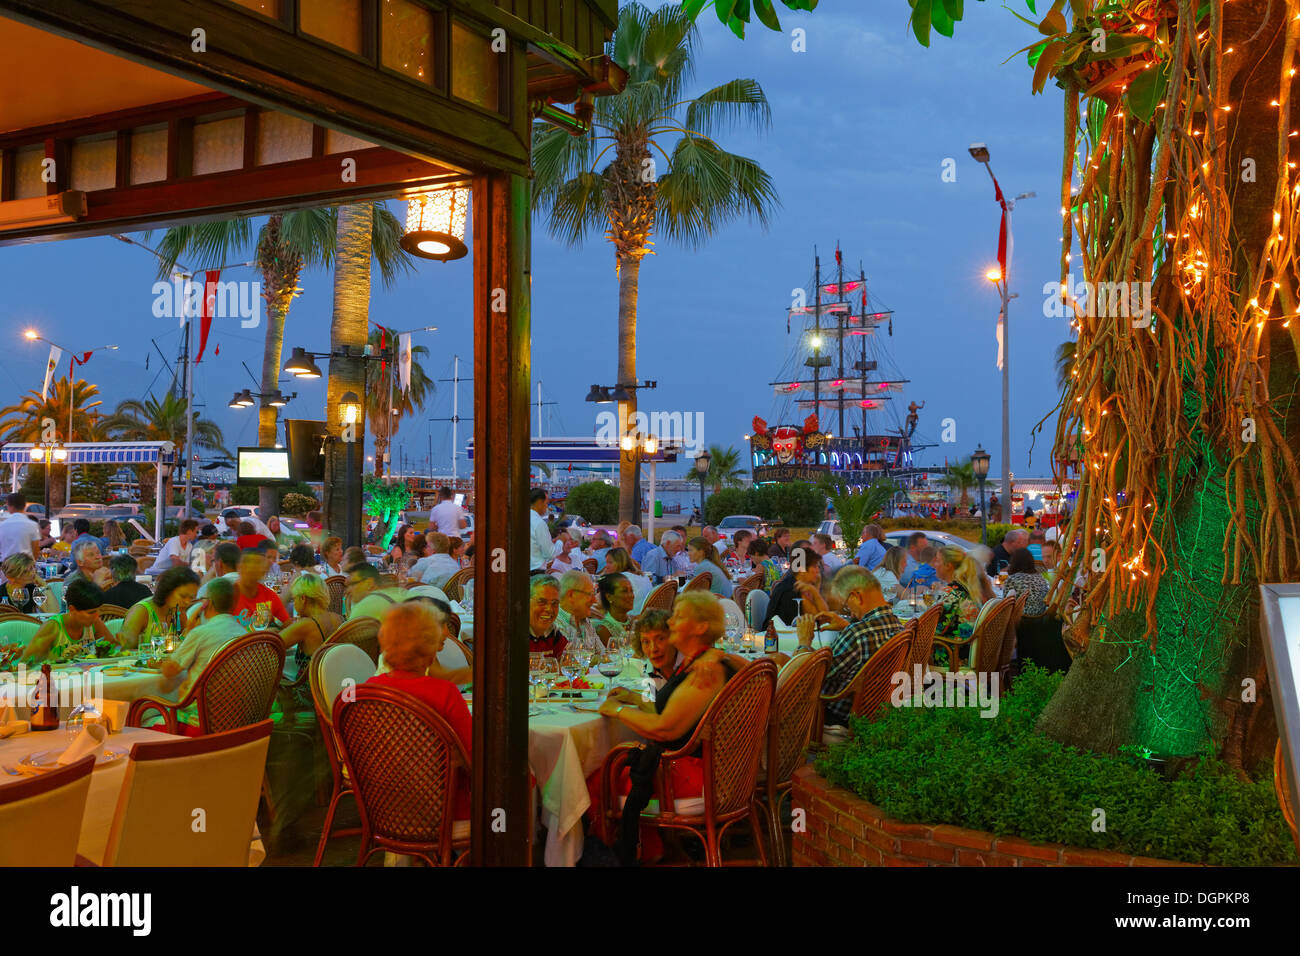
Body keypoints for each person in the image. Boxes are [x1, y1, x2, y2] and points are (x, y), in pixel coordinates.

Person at [598, 591, 739, 865]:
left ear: (700, 627)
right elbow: (668, 711)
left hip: (701, 780)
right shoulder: (701, 662)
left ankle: (610, 856)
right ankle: (655, 850)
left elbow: (664, 730)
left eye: (678, 616)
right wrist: (637, 699)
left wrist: (616, 709)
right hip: (715, 773)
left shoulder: (704, 671)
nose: (671, 622)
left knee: (597, 777)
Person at [367, 602, 473, 820]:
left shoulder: (364, 692)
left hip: (384, 809)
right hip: (443, 811)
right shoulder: (444, 693)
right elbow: (474, 757)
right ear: (430, 645)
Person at [788, 566, 903, 726]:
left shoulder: (856, 635)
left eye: (848, 606)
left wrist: (804, 642)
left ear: (857, 596)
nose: (852, 614)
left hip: (831, 715)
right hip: (875, 712)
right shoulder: (898, 626)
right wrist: (847, 625)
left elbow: (807, 680)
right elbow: (867, 638)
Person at [159, 577, 249, 720]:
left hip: (201, 717)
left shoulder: (200, 633)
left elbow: (169, 671)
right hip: (235, 717)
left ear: (207, 603)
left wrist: (188, 631)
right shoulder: (244, 633)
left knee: (144, 714)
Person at [21, 579, 115, 662]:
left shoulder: (94, 622)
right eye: (90, 613)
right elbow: (26, 663)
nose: (96, 616)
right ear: (72, 609)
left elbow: (116, 648)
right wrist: (60, 659)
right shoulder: (53, 626)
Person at [120, 566, 200, 650]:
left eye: (191, 597)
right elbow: (125, 650)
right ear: (167, 591)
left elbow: (185, 645)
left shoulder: (179, 612)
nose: (187, 602)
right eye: (183, 596)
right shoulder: (141, 611)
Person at [279, 572, 342, 676]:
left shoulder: (307, 625)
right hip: (334, 680)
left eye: (294, 599)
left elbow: (273, 645)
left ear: (303, 599)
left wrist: (271, 631)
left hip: (310, 687)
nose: (294, 603)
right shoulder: (338, 618)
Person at [762, 545, 823, 628]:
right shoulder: (790, 591)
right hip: (778, 637)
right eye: (815, 566)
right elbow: (820, 619)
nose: (818, 570)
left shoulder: (801, 584)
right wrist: (816, 592)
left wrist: (817, 588)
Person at [231, 548, 291, 629]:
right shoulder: (228, 596)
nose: (259, 568)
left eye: (260, 565)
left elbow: (288, 626)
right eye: (253, 564)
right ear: (239, 567)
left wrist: (273, 619)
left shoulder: (270, 596)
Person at [933, 545, 984, 638]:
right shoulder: (966, 586)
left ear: (948, 566)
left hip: (953, 649)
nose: (934, 564)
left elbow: (933, 629)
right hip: (969, 647)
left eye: (937, 560)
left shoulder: (952, 593)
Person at [631, 608, 681, 690]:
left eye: (660, 639)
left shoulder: (691, 668)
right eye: (646, 642)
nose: (653, 649)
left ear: (675, 638)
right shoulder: (651, 669)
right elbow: (659, 701)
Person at [555, 569, 602, 651]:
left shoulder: (583, 619)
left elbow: (603, 655)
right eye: (590, 594)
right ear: (571, 595)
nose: (595, 600)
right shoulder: (554, 624)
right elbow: (569, 660)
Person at [344, 562, 408, 622]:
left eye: (353, 584)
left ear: (369, 583)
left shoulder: (365, 606)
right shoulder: (399, 593)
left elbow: (344, 632)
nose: (348, 590)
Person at [525, 574, 566, 657]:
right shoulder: (512, 636)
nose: (549, 609)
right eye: (542, 602)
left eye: (554, 603)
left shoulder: (554, 634)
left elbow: (568, 663)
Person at [1003, 547, 1050, 617]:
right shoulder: (1041, 578)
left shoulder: (1012, 579)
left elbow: (1006, 604)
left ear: (1014, 562)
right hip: (1040, 618)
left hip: (1021, 619)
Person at [604, 547, 652, 611]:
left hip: (628, 617)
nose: (606, 566)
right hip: (643, 616)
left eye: (610, 562)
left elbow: (603, 601)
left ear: (620, 562)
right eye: (606, 563)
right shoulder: (644, 576)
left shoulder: (621, 578)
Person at [595, 572, 635, 647]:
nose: (631, 595)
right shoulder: (604, 629)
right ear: (609, 596)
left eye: (631, 591)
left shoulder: (635, 621)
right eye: (624, 591)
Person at [0, 492, 39, 562]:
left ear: (10, 506)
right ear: (24, 505)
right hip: (26, 567)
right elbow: (35, 550)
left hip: (6, 567)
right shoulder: (33, 525)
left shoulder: (2, 525)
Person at [529, 488, 554, 573]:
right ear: (540, 502)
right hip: (536, 572)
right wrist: (561, 541)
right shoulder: (538, 523)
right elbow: (550, 554)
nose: (547, 506)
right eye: (546, 503)